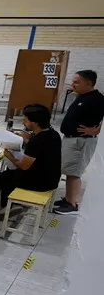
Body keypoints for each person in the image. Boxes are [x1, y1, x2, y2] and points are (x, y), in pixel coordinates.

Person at [0, 104, 62, 212]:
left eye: (25, 120)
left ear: (35, 122)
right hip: (52, 178)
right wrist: (27, 140)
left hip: (40, 182)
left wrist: (10, 157)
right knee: (8, 173)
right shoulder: (53, 134)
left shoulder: (37, 141)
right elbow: (41, 151)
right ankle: (7, 206)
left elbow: (23, 166)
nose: (23, 122)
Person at [54, 70, 103, 215]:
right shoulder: (83, 97)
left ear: (89, 83)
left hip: (82, 142)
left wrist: (97, 130)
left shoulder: (97, 99)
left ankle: (72, 204)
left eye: (76, 82)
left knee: (75, 173)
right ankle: (68, 199)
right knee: (70, 171)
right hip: (72, 139)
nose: (73, 84)